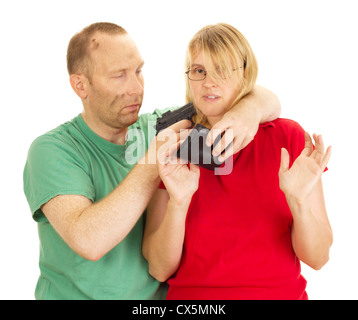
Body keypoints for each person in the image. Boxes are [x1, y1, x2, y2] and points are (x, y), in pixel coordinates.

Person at [23, 22, 281, 300]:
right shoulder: (52, 149)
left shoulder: (161, 125)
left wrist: (247, 111)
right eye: (119, 75)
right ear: (80, 85)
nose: (136, 88)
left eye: (138, 71)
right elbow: (90, 240)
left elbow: (254, 96)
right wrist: (157, 154)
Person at [142, 23, 333, 300]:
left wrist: (299, 203)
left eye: (222, 69)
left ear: (245, 74)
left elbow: (319, 258)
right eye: (199, 71)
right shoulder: (173, 144)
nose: (209, 82)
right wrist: (179, 203)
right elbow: (159, 269)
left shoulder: (287, 138)